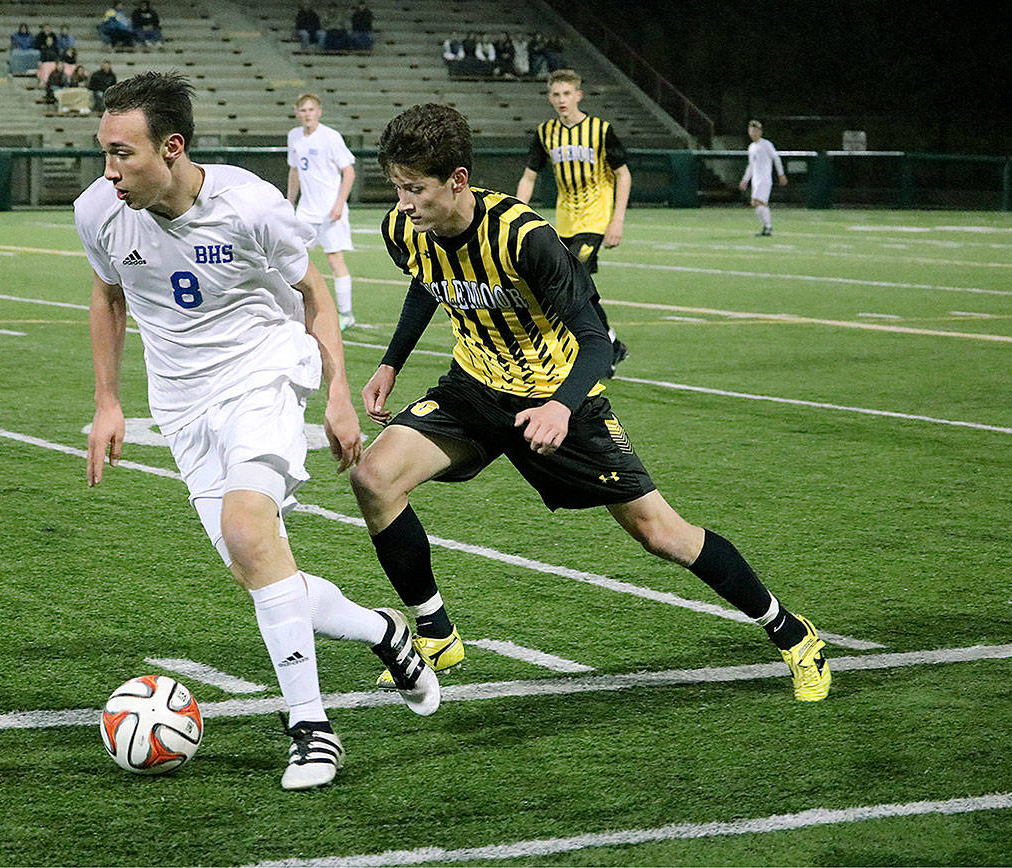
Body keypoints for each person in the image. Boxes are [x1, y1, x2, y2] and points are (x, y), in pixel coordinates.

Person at [348, 102, 831, 705]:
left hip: (558, 399)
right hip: (472, 390)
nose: (404, 203)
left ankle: (790, 631)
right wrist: (390, 363)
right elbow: (427, 281)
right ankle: (435, 631)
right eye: (397, 188)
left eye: (415, 189)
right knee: (374, 478)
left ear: (459, 181)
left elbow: (599, 341)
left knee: (663, 534)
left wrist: (560, 406)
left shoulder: (526, 238)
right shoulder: (403, 229)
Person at [76, 72, 440, 790]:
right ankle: (384, 634)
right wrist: (109, 400)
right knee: (259, 567)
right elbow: (108, 295)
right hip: (182, 406)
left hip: (264, 374)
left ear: (172, 147)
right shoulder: (99, 212)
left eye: (124, 154)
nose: (110, 171)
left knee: (248, 530)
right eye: (105, 153)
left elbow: (313, 295)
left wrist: (337, 391)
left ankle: (311, 729)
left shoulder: (250, 206)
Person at [516, 69, 630, 376]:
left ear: (578, 95)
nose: (561, 100)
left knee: (572, 278)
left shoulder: (600, 130)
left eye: (567, 94)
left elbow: (623, 173)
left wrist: (616, 221)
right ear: (549, 98)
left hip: (595, 217)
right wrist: (516, 213)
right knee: (568, 285)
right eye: (556, 94)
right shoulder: (545, 133)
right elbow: (529, 176)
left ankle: (600, 348)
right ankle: (610, 344)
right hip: (564, 220)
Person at [286, 93, 357, 329]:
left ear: (319, 112)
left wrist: (339, 204)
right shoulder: (294, 137)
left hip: (329, 211)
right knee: (291, 256)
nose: (307, 114)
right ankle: (293, 309)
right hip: (306, 211)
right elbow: (294, 171)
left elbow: (349, 172)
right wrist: (289, 201)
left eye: (311, 110)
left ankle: (346, 314)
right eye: (303, 110)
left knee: (335, 260)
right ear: (297, 113)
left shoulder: (330, 137)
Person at [740, 120, 787, 237]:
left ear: (760, 132)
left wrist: (781, 174)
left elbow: (776, 158)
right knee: (755, 203)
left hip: (764, 179)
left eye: (756, 131)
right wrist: (745, 179)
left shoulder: (766, 144)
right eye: (751, 131)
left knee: (759, 202)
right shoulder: (751, 147)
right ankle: (766, 227)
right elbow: (751, 165)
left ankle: (768, 227)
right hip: (756, 180)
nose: (753, 133)